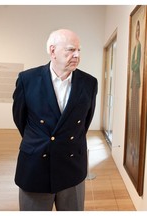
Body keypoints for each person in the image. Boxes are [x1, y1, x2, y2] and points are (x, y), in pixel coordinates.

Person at [12, 29, 98, 211]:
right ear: (52, 51)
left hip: (72, 165)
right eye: (70, 50)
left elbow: (84, 123)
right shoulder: (27, 79)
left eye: (79, 50)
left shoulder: (89, 83)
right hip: (35, 165)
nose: (77, 55)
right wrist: (40, 140)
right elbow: (21, 119)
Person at [127, 20, 141, 169]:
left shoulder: (139, 46)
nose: (137, 34)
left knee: (135, 111)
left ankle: (134, 147)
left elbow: (135, 65)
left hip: (136, 82)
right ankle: (131, 145)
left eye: (138, 31)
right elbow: (132, 64)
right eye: (136, 32)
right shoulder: (135, 47)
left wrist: (135, 64)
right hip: (133, 82)